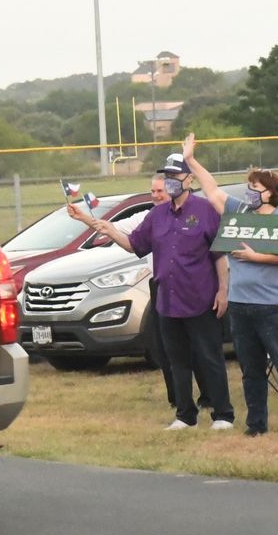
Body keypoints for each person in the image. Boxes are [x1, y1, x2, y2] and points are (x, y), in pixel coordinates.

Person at [92, 152, 235, 431]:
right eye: (167, 177)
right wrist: (110, 231)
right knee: (176, 360)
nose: (171, 183)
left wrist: (223, 291)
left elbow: (220, 256)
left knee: (209, 356)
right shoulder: (157, 214)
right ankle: (185, 415)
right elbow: (135, 245)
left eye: (175, 177)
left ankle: (222, 414)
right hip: (168, 300)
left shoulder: (205, 211)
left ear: (188, 179)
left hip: (201, 297)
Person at [180, 133, 278, 437]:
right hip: (242, 305)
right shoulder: (239, 212)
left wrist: (257, 256)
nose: (251, 192)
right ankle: (256, 424)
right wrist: (190, 159)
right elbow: (212, 191)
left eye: (256, 188)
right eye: (249, 187)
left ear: (271, 193)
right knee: (251, 370)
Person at [67, 175, 210, 410]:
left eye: (160, 191)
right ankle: (178, 399)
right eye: (152, 191)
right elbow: (112, 229)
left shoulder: (195, 213)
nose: (155, 195)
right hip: (163, 286)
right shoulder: (148, 217)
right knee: (167, 348)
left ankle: (209, 397)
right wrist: (83, 217)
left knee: (198, 345)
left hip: (192, 286)